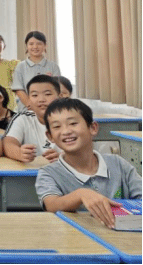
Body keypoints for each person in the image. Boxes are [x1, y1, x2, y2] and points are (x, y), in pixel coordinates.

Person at [36, 98, 141, 228]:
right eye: (57, 127)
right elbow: (51, 204)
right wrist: (81, 194)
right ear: (50, 136)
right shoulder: (48, 173)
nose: (66, 131)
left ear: (93, 128)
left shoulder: (118, 164)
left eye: (73, 123)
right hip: (75, 238)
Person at [3, 75, 60, 163]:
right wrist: (19, 153)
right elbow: (8, 143)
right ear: (29, 99)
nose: (41, 100)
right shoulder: (23, 118)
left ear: (60, 97)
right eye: (35, 95)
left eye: (48, 94)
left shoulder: (73, 119)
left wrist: (66, 157)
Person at [11, 31, 61, 112]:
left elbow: (57, 88)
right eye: (31, 44)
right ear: (27, 46)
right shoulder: (20, 66)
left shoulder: (53, 66)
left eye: (39, 43)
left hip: (49, 109)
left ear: (45, 45)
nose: (35, 47)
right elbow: (18, 89)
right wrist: (31, 105)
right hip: (26, 110)